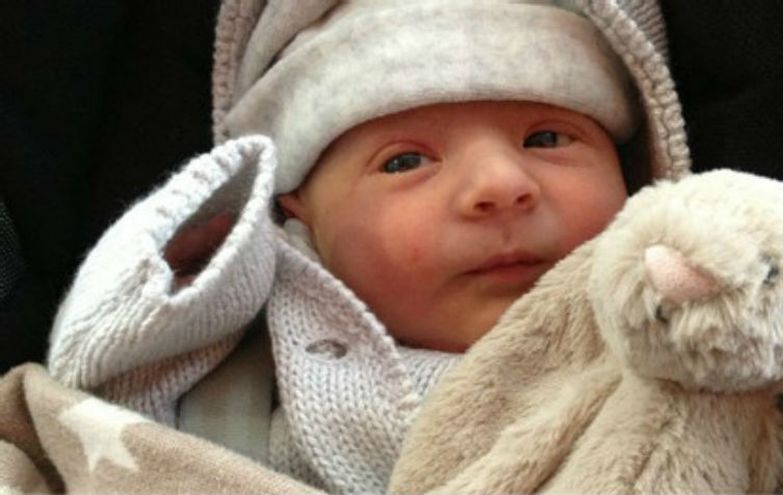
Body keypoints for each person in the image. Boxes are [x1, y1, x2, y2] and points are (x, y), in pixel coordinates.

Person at [46, 0, 690, 493]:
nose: (502, 186)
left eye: (547, 139)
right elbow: (93, 398)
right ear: (292, 214)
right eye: (406, 161)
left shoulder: (696, 352)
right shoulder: (225, 384)